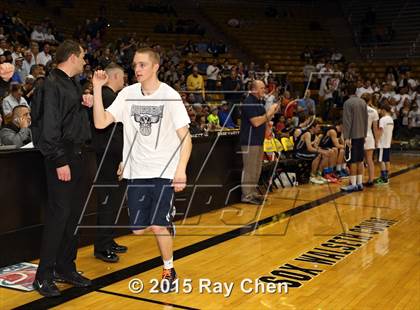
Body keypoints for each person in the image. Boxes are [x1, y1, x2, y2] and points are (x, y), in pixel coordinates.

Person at [92, 47, 192, 292]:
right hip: (137, 171)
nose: (137, 69)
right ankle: (166, 222)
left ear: (155, 67)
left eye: (142, 65)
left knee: (157, 226)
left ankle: (168, 268)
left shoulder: (170, 96)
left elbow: (185, 138)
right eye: (135, 65)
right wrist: (96, 88)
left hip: (164, 170)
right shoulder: (127, 94)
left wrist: (181, 169)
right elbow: (100, 122)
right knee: (138, 229)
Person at [32, 40, 92, 297]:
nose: (84, 61)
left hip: (77, 154)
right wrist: (59, 160)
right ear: (71, 57)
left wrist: (84, 102)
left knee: (73, 217)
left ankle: (66, 267)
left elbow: (68, 119)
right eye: (82, 57)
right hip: (62, 157)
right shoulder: (51, 85)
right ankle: (43, 275)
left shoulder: (72, 85)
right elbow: (48, 128)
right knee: (59, 217)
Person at [89, 63, 128, 263]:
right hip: (108, 155)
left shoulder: (107, 97)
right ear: (113, 76)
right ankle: (102, 246)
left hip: (109, 154)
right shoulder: (108, 96)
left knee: (111, 201)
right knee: (108, 201)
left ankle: (108, 240)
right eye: (122, 76)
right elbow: (118, 131)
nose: (124, 80)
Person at [240, 80, 279, 204]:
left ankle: (253, 193)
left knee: (256, 168)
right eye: (262, 88)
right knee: (250, 168)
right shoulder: (248, 102)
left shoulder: (259, 103)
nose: (264, 90)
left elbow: (264, 121)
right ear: (254, 89)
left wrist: (269, 122)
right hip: (249, 141)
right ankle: (246, 195)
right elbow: (256, 122)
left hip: (258, 140)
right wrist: (270, 113)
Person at [341, 84, 368, 192]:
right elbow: (366, 120)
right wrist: (365, 134)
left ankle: (353, 184)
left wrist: (346, 137)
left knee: (352, 160)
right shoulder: (363, 102)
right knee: (360, 160)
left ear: (347, 92)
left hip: (352, 136)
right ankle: (359, 183)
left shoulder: (347, 103)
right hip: (362, 134)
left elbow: (347, 121)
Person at [361, 93, 379, 186]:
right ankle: (371, 180)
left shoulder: (357, 109)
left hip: (359, 136)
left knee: (360, 160)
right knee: (369, 160)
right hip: (369, 136)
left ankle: (359, 180)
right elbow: (375, 128)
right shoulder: (374, 111)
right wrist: (376, 141)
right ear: (370, 101)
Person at [374, 103, 394, 185]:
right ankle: (387, 177)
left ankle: (383, 178)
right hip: (387, 143)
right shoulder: (391, 119)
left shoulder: (383, 119)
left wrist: (376, 141)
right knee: (386, 160)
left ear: (383, 110)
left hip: (382, 143)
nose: (379, 112)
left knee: (381, 160)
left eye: (380, 110)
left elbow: (380, 131)